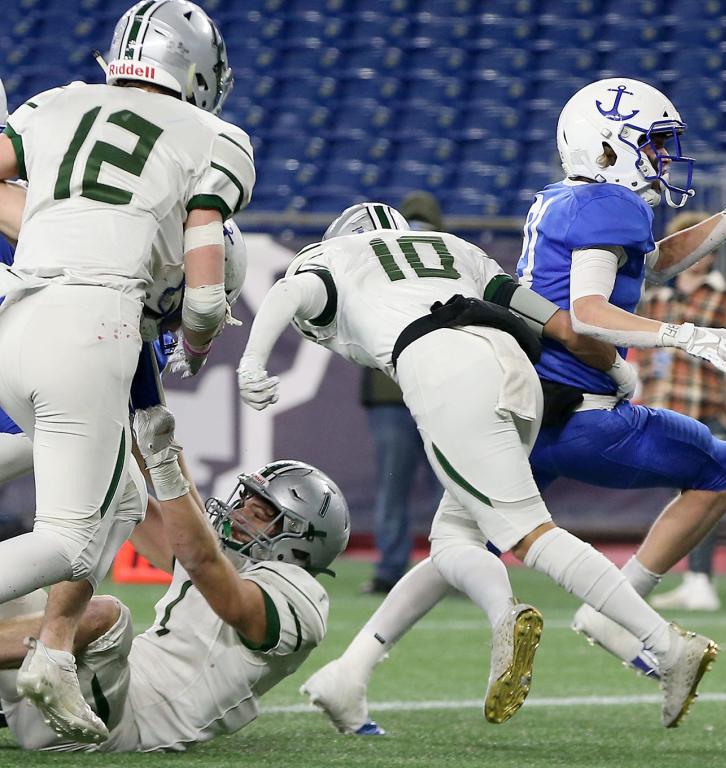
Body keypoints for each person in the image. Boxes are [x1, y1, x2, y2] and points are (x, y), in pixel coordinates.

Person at [299, 78, 726, 737]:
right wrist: (680, 335)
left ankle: (350, 672)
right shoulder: (611, 205)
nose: (666, 159)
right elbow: (587, 313)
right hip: (581, 412)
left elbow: (649, 266)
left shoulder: (566, 200)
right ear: (609, 148)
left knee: (453, 546)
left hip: (519, 408)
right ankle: (620, 611)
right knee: (723, 469)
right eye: (656, 144)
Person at [236, 201, 726, 731]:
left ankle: (658, 643)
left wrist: (251, 362)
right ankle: (349, 677)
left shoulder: (336, 255)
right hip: (516, 368)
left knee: (527, 533)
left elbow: (289, 292)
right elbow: (556, 323)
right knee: (453, 540)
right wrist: (615, 368)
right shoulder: (453, 249)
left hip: (443, 367)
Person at [0, 0, 254, 742]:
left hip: (19, 314)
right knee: (70, 542)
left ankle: (50, 653)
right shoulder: (212, 137)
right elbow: (203, 300)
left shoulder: (54, 103)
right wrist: (201, 339)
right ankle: (47, 651)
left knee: (119, 494)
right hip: (86, 324)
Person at [0, 405, 348, 752]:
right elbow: (140, 506)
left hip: (110, 724)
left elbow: (207, 566)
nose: (240, 513)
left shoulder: (301, 596)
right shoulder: (224, 560)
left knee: (105, 617)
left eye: (260, 514)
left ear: (303, 542)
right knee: (16, 575)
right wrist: (123, 408)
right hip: (74, 686)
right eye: (244, 501)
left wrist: (163, 464)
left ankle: (45, 665)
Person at [636, 211, 726, 611]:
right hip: (663, 409)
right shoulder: (654, 297)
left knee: (707, 494)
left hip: (707, 410)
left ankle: (702, 577)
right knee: (677, 497)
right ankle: (686, 576)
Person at [357, 192, 445, 594]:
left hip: (395, 391)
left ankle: (395, 569)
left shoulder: (378, 266)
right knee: (455, 486)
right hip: (432, 390)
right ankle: (456, 566)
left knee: (397, 486)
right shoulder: (451, 264)